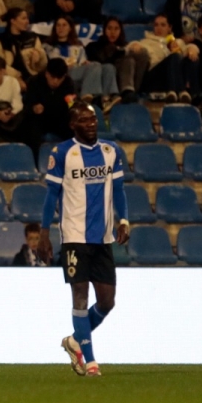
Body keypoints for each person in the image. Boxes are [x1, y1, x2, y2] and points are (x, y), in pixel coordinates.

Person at [38, 103, 130, 377]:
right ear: (73, 125)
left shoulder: (110, 151)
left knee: (106, 302)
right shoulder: (63, 152)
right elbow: (51, 195)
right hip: (74, 237)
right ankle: (90, 361)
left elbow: (120, 190)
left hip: (102, 238)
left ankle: (75, 340)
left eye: (93, 119)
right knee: (80, 296)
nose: (91, 124)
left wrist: (123, 220)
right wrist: (44, 232)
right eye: (85, 120)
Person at [85, 16, 150, 106]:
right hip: (108, 81)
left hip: (130, 82)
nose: (113, 32)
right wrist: (117, 51)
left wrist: (136, 46)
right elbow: (98, 64)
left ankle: (131, 91)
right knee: (128, 60)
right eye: (109, 28)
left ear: (121, 31)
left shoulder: (126, 46)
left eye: (116, 29)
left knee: (142, 53)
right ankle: (126, 91)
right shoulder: (94, 46)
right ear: (104, 30)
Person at [139, 14, 199, 103]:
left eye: (163, 25)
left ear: (169, 28)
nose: (159, 28)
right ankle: (180, 91)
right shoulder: (145, 42)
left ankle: (195, 95)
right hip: (155, 77)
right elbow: (131, 47)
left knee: (192, 59)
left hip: (174, 77)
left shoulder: (177, 41)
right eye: (156, 25)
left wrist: (192, 49)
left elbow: (189, 48)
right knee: (174, 56)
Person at [24, 58, 77, 147]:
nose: (55, 81)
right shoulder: (35, 82)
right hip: (40, 120)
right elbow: (27, 104)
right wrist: (34, 108)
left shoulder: (68, 84)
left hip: (60, 120)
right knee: (31, 127)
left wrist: (71, 104)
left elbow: (71, 107)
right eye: (52, 77)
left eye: (59, 78)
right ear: (47, 74)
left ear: (64, 76)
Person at [0, 7, 47, 88]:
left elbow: (42, 66)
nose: (27, 21)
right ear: (13, 21)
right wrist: (16, 77)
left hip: (32, 78)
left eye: (27, 18)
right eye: (24, 18)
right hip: (9, 78)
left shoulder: (32, 38)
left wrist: (40, 57)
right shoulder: (0, 39)